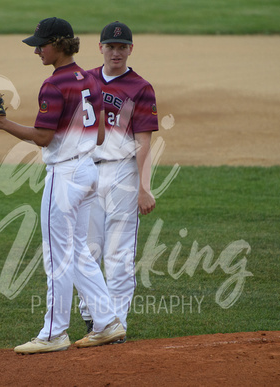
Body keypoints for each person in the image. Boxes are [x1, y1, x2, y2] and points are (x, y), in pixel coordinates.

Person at [0, 17, 126, 354]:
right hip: (89, 172)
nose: (37, 49)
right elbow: (102, 134)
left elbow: (42, 137)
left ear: (60, 44)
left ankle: (54, 333)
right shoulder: (91, 79)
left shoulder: (54, 85)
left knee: (57, 256)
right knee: (78, 251)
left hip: (64, 177)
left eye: (42, 44)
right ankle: (107, 322)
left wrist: (2, 123)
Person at [78, 21, 159, 337]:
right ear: (100, 48)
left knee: (119, 255)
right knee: (87, 250)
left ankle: (118, 324)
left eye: (122, 46)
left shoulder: (140, 88)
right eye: (110, 46)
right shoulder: (84, 82)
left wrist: (144, 187)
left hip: (123, 173)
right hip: (87, 170)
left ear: (130, 49)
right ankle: (93, 317)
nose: (116, 52)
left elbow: (144, 143)